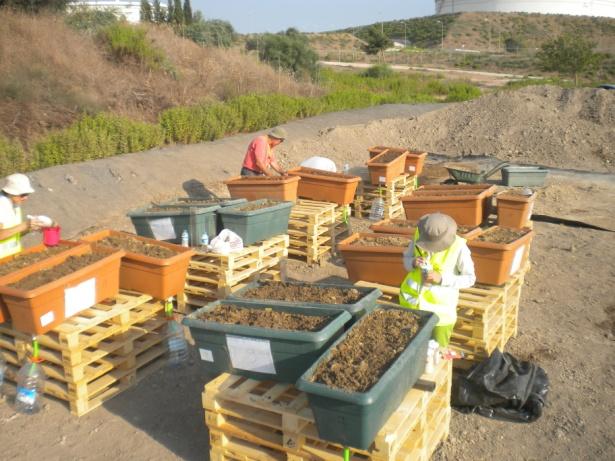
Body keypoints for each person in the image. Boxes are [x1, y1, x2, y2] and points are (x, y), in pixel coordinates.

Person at [399, 213, 476, 348]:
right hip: (411, 306)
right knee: (408, 348)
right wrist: (412, 262)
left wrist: (441, 278)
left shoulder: (459, 248)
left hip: (440, 314)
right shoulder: (418, 236)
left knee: (437, 354)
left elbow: (470, 279)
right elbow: (406, 260)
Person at [0, 173, 38, 258]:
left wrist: (29, 228)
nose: (26, 198)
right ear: (10, 192)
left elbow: (13, 233)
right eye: (23, 195)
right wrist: (24, 225)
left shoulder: (14, 204)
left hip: (11, 258)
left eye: (27, 194)